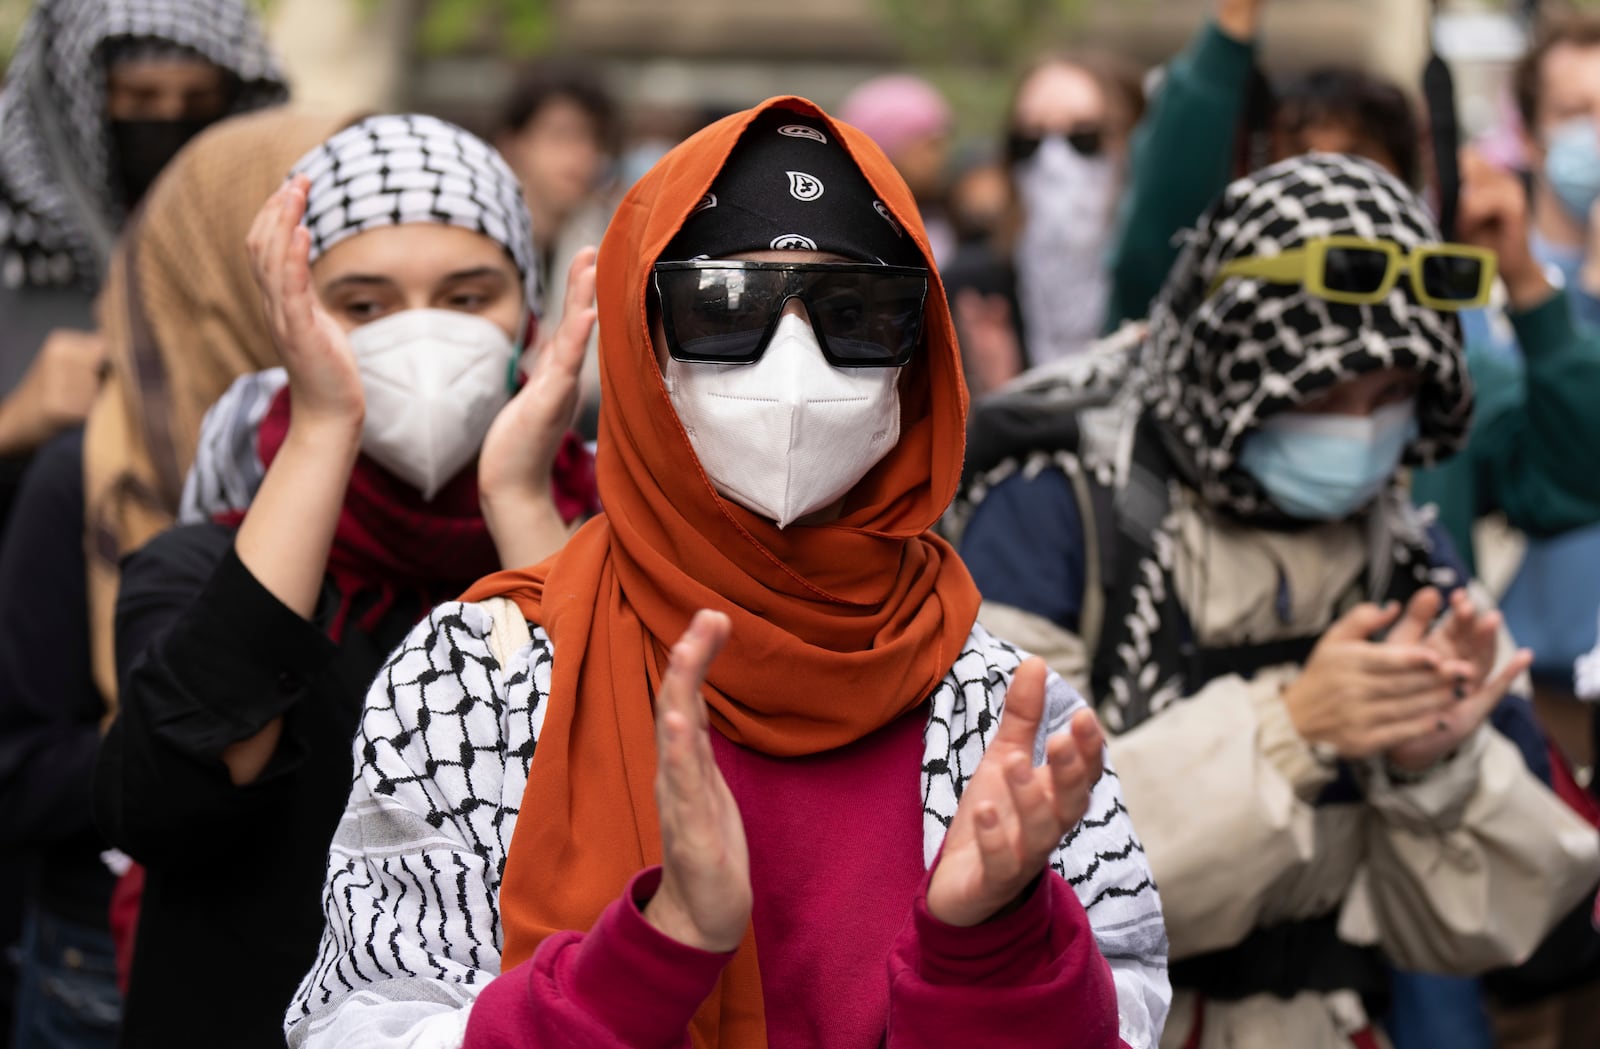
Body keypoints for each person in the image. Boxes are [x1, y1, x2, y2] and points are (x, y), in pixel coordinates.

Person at [283, 97, 1169, 1049]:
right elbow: (361, 1025)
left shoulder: (1005, 712)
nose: (794, 361)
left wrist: (991, 948)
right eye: (723, 307)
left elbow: (1128, 1014)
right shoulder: (479, 678)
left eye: (854, 313)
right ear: (640, 336)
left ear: (920, 352)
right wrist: (646, 959)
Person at [955, 153, 1600, 1049]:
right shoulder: (1056, 509)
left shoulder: (1403, 546)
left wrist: (1430, 772)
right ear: (1231, 356)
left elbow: (1494, 924)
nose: (1359, 429)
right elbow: (1012, 863)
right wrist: (1292, 728)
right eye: (1324, 394)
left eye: (1390, 397)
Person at [91, 114, 597, 1049]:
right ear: (294, 315)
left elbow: (616, 783)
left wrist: (516, 491)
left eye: (465, 296)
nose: (419, 335)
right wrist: (325, 423)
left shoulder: (593, 545)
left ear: (525, 313)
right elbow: (170, 804)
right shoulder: (200, 567)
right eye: (361, 305)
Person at [0, 0, 285, 490]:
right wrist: (15, 423)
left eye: (199, 104)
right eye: (138, 99)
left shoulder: (254, 255)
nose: (168, 124)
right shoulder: (16, 241)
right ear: (76, 100)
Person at [944, 51, 1144, 394]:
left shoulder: (1163, 284)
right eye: (1030, 141)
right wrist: (994, 396)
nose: (1054, 161)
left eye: (1084, 138)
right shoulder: (973, 288)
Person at [495, 64, 620, 436]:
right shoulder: (478, 240)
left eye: (592, 140)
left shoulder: (609, 238)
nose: (581, 156)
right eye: (561, 136)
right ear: (513, 144)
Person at [838, 74, 956, 265]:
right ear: (886, 149)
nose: (941, 157)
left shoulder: (946, 215)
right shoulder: (850, 235)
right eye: (930, 145)